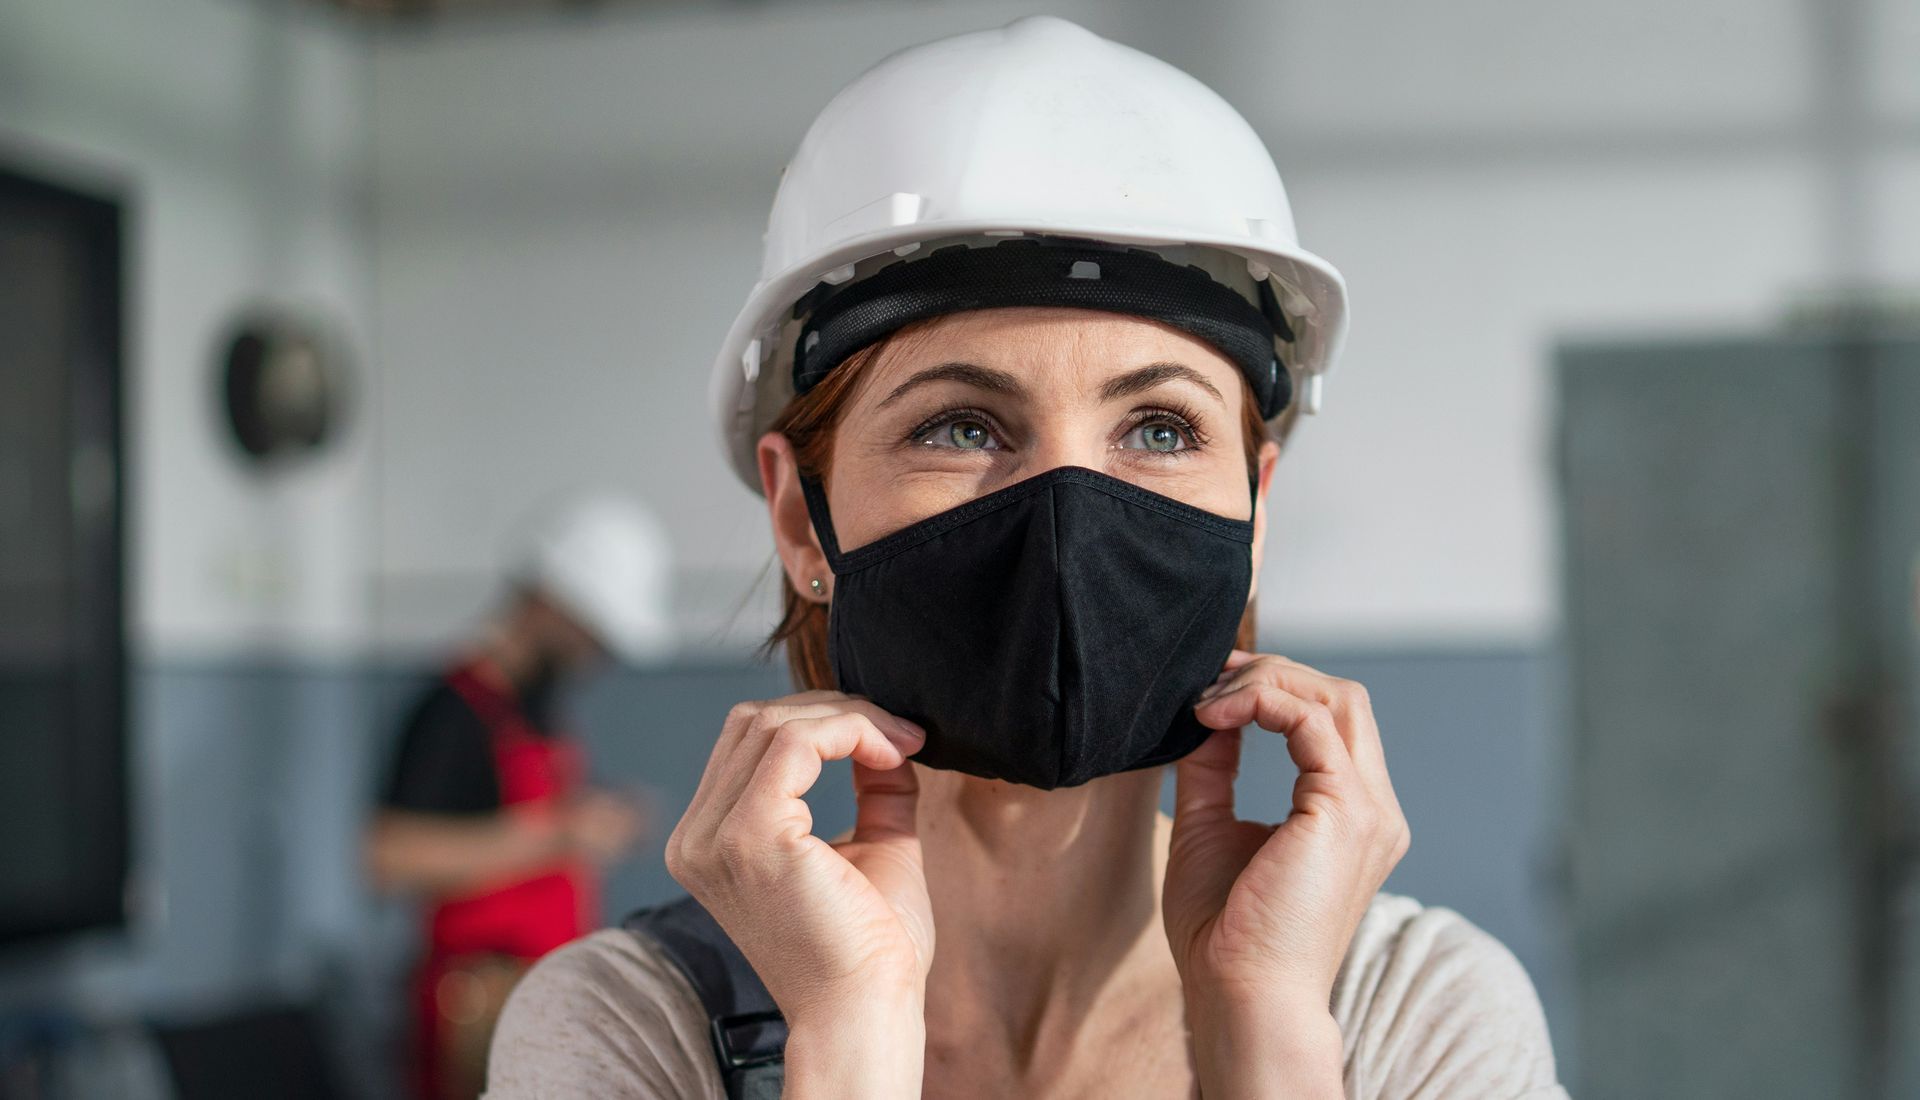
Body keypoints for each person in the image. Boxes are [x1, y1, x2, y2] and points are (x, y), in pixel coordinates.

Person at [488, 17, 1568, 1099]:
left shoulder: (1414, 1011)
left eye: (1159, 428)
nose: (1065, 515)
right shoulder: (630, 1026)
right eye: (962, 425)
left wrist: (1268, 1028)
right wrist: (850, 1031)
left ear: (1256, 507)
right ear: (800, 517)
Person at [366, 494, 666, 1100]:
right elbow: (387, 857)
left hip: (537, 992)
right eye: (591, 633)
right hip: (475, 1006)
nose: (594, 656)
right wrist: (561, 834)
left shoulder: (537, 710)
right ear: (549, 601)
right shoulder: (452, 712)